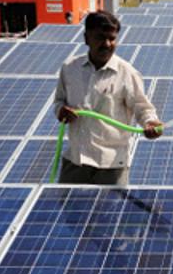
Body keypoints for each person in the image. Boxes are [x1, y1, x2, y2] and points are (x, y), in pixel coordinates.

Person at [54, 10, 163, 185]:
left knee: (110, 212)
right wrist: (61, 110)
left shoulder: (127, 73)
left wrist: (150, 123)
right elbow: (59, 101)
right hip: (75, 161)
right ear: (86, 38)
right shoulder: (69, 68)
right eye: (100, 37)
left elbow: (143, 108)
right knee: (68, 211)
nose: (107, 44)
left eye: (112, 38)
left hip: (111, 166)